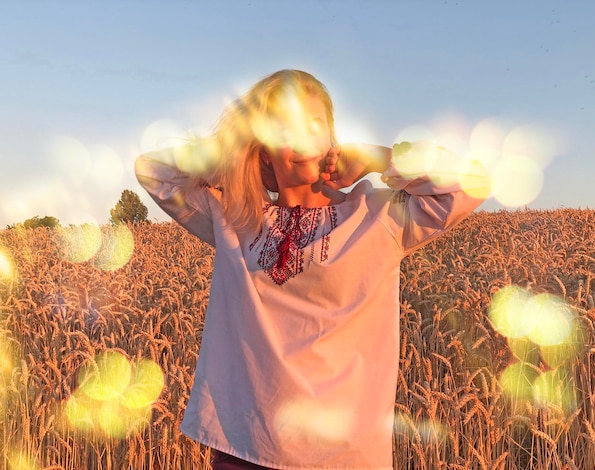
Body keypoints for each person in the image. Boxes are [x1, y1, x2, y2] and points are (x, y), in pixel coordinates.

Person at [135, 69, 491, 470]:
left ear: (332, 137)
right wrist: (238, 152)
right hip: (245, 448)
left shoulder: (378, 215)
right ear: (264, 147)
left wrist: (380, 157)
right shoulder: (235, 215)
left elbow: (474, 181)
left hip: (344, 456)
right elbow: (153, 169)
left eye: (313, 125)